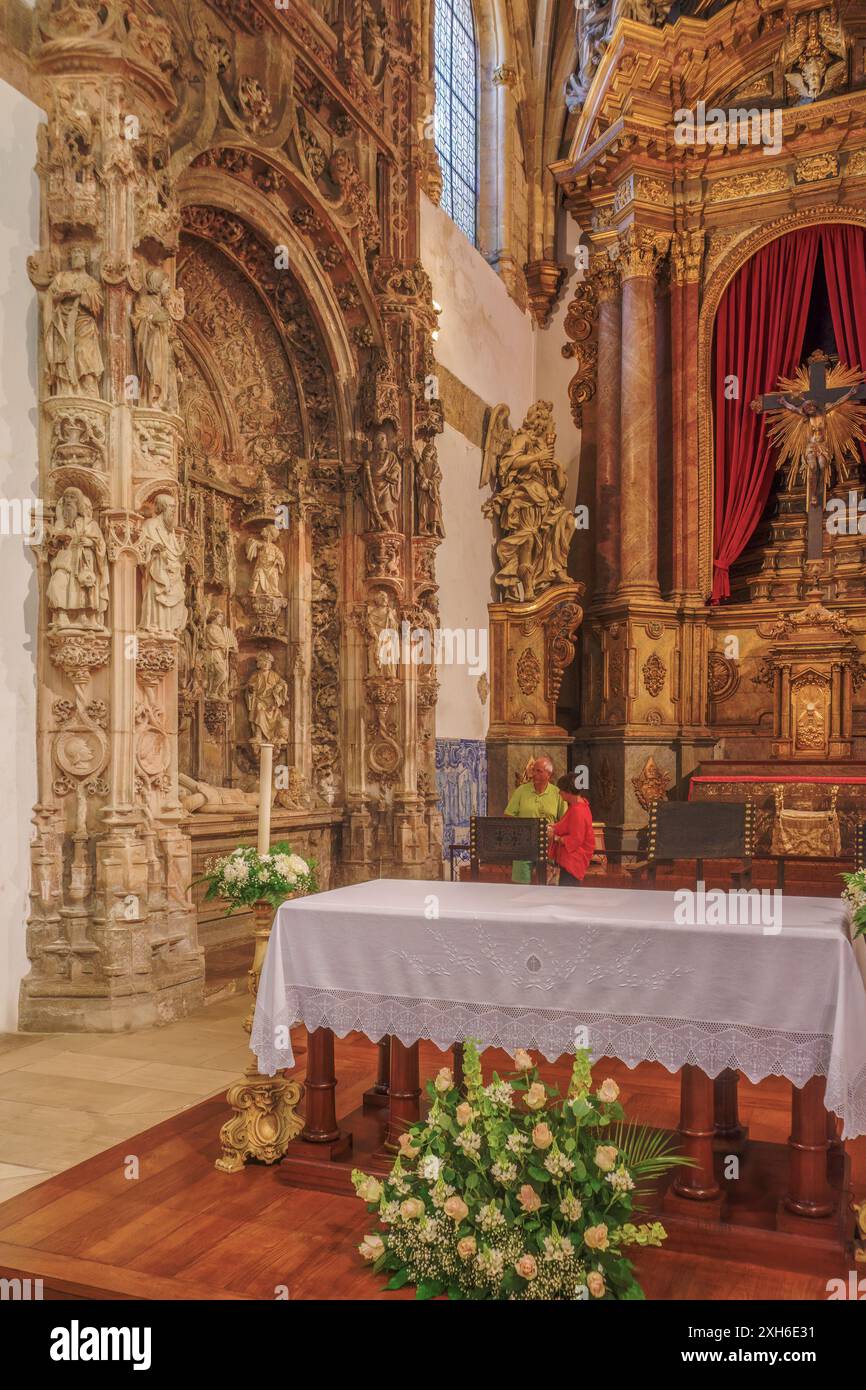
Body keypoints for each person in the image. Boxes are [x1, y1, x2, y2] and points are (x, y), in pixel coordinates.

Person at [503, 755, 567, 884]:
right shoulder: (521, 791)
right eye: (534, 770)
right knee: (520, 886)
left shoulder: (557, 793)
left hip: (548, 845)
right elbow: (508, 815)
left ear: (549, 774)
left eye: (539, 771)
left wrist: (552, 830)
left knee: (546, 885)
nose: (534, 774)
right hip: (524, 843)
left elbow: (565, 820)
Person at [550, 776, 597, 886]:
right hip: (571, 860)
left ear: (569, 791)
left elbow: (576, 839)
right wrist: (553, 826)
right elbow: (567, 825)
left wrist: (556, 837)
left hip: (572, 862)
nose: (559, 793)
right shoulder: (579, 805)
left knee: (567, 896)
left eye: (561, 790)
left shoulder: (577, 810)